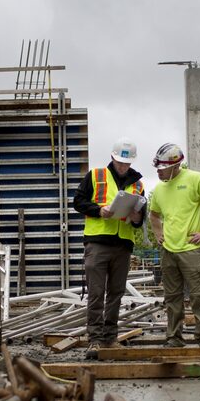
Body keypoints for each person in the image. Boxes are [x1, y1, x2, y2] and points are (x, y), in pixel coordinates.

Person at [73, 137, 146, 358]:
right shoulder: (95, 176)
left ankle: (110, 338)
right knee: (96, 292)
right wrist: (99, 210)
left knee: (116, 293)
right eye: (120, 162)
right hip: (97, 242)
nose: (123, 167)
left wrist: (135, 217)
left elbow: (140, 219)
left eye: (127, 163)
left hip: (123, 244)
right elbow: (78, 201)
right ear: (113, 158)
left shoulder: (139, 184)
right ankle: (94, 339)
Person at [148, 143, 200, 348]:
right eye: (158, 168)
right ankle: (174, 337)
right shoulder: (159, 190)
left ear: (175, 165)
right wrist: (158, 233)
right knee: (172, 297)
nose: (159, 171)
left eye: (162, 168)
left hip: (191, 249)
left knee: (198, 296)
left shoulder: (195, 178)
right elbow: (153, 215)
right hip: (168, 251)